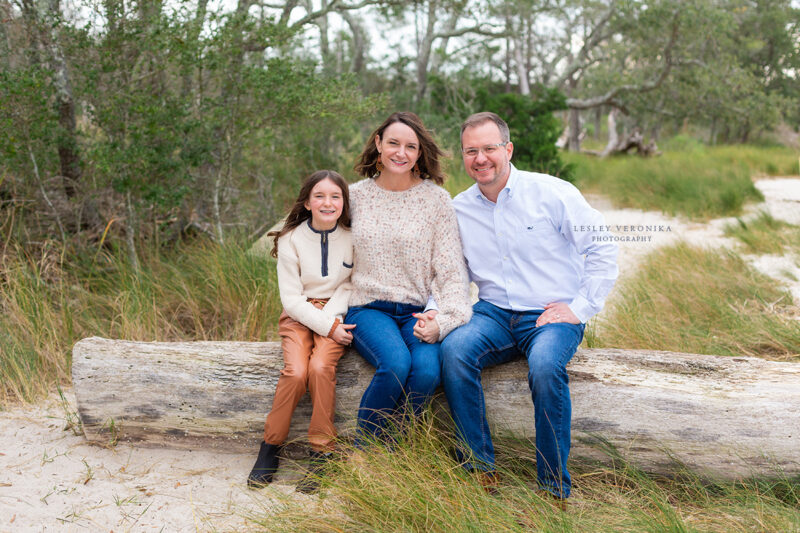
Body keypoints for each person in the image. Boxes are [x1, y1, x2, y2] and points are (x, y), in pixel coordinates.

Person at [438, 112, 619, 501]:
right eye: (472, 151)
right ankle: (479, 469)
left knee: (543, 366)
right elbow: (451, 273)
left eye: (489, 148)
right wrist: (435, 310)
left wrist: (581, 307)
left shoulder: (552, 193)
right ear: (464, 156)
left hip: (551, 315)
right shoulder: (459, 209)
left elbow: (602, 246)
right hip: (493, 315)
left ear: (508, 149)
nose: (481, 158)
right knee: (453, 351)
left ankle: (552, 488)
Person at [345, 111, 471, 445]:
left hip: (416, 311)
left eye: (410, 146)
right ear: (378, 145)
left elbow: (449, 270)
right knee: (397, 363)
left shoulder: (436, 200)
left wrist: (442, 320)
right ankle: (364, 452)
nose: (401, 153)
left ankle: (394, 449)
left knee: (428, 372)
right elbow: (324, 253)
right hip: (368, 307)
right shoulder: (353, 197)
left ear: (419, 153)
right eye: (393, 143)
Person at [248, 170, 355, 494]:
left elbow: (351, 284)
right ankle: (270, 446)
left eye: (335, 196)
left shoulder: (353, 237)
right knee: (296, 372)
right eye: (319, 196)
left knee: (321, 367)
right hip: (299, 315)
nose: (328, 202)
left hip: (337, 312)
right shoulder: (289, 239)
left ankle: (322, 452)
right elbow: (292, 300)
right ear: (307, 202)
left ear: (343, 202)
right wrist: (326, 326)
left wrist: (331, 321)